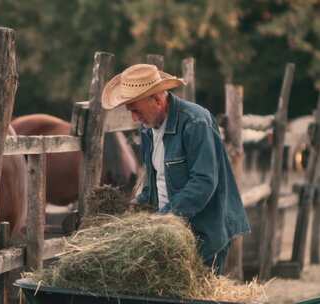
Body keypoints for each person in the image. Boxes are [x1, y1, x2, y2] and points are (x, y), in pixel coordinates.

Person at [101, 63, 250, 274]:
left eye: (136, 110)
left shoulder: (195, 122)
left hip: (203, 233)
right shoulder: (148, 129)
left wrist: (164, 218)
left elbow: (204, 182)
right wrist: (139, 205)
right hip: (170, 233)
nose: (135, 118)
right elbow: (156, 178)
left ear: (158, 100)